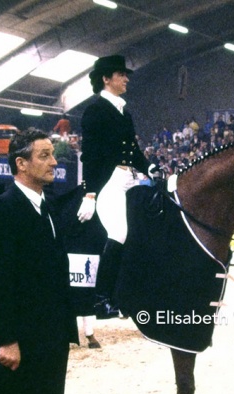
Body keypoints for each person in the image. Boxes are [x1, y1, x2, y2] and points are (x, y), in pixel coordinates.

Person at [0, 128, 79, 394]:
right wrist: (7, 339)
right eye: (44, 155)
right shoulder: (4, 208)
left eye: (52, 154)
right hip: (21, 340)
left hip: (50, 338)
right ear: (20, 164)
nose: (54, 162)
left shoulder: (47, 206)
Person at [77, 55, 154, 319]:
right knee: (119, 233)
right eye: (121, 74)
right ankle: (101, 298)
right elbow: (89, 155)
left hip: (130, 178)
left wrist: (150, 168)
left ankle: (129, 293)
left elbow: (132, 148)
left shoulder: (124, 111)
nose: (126, 79)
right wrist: (89, 193)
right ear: (106, 79)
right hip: (108, 182)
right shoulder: (95, 111)